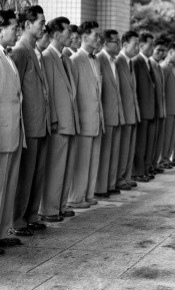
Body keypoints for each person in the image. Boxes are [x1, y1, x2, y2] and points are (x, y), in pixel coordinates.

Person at [10, 5, 50, 237]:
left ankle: (31, 215)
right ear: (27, 24)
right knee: (25, 175)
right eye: (41, 22)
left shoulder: (36, 51)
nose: (44, 26)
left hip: (40, 122)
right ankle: (18, 219)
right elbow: (16, 90)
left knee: (37, 173)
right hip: (29, 123)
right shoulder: (20, 51)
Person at [39, 16, 80, 222]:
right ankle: (49, 208)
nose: (71, 35)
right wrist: (53, 119)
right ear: (56, 34)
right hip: (58, 123)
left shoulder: (66, 58)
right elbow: (47, 92)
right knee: (55, 167)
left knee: (66, 166)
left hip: (69, 120)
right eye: (67, 32)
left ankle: (61, 205)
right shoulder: (47, 57)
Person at [68, 21, 104, 208]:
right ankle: (76, 197)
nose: (99, 38)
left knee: (93, 159)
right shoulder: (75, 60)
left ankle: (88, 194)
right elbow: (73, 94)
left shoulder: (96, 60)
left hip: (96, 118)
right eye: (95, 35)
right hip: (83, 119)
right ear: (84, 37)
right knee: (81, 162)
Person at [0, 10, 24, 253]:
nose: (17, 32)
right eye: (14, 27)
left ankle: (3, 231)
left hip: (13, 131)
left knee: (7, 185)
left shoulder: (7, 57)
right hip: (2, 132)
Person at [95, 30, 125, 198]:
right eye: (116, 42)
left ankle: (110, 184)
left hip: (116, 113)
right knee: (104, 153)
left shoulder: (115, 62)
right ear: (106, 43)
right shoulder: (99, 59)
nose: (119, 45)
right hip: (105, 114)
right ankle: (100, 187)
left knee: (114, 152)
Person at [115, 30, 140, 190]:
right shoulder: (118, 61)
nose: (138, 48)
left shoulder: (130, 62)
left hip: (132, 112)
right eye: (135, 44)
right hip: (122, 112)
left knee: (129, 148)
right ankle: (119, 178)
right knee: (122, 149)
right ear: (124, 45)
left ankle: (126, 176)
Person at [132, 33, 156, 182]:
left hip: (150, 110)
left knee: (147, 143)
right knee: (139, 144)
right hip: (141, 110)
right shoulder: (136, 61)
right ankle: (138, 172)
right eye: (150, 45)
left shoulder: (148, 62)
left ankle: (145, 170)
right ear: (141, 45)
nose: (153, 48)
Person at [159, 42, 175, 169]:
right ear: (170, 52)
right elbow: (161, 88)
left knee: (171, 136)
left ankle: (167, 158)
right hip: (167, 108)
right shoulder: (165, 67)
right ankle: (162, 159)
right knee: (166, 136)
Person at [149, 39, 167, 176]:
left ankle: (154, 164)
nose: (160, 53)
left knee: (157, 140)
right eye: (158, 50)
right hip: (152, 109)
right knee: (150, 141)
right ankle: (149, 166)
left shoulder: (159, 67)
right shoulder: (149, 64)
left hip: (160, 108)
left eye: (163, 50)